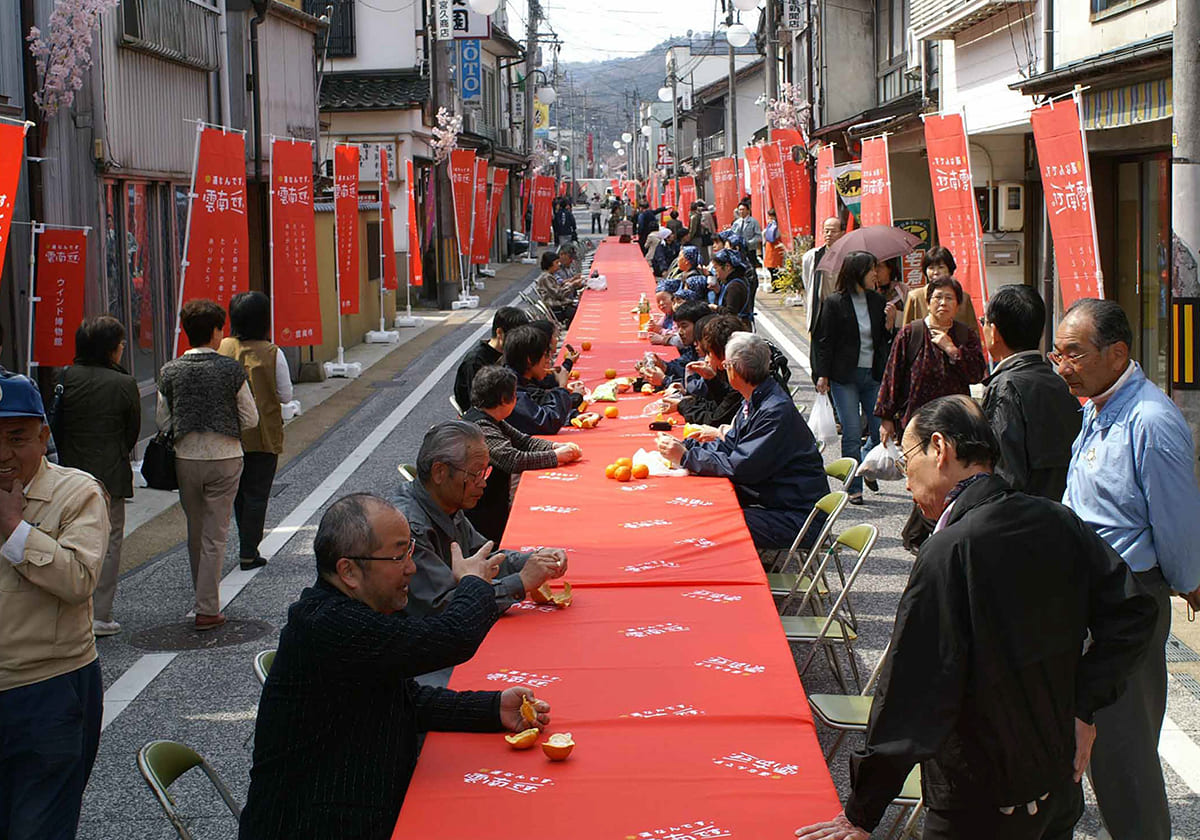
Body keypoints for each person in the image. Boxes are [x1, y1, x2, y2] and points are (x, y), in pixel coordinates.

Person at [795, 395, 1155, 840]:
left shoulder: (950, 550)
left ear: (940, 449)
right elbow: (1135, 611)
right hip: (1054, 781)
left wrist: (862, 812)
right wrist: (1083, 703)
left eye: (908, 458)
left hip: (978, 797)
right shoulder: (1057, 520)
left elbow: (910, 689)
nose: (906, 480)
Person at [238, 493, 552, 840]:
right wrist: (474, 583)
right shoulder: (330, 623)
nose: (411, 567)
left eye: (410, 551)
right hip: (316, 823)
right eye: (398, 555)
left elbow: (405, 701)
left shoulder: (355, 612)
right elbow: (453, 637)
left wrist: (493, 708)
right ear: (349, 571)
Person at [1055, 299, 1200, 840]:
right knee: (1092, 739)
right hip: (1087, 591)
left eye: (1075, 354)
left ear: (1118, 353)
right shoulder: (1097, 403)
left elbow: (1176, 514)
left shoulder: (1150, 419)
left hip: (1127, 597)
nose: (1064, 366)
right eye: (1059, 353)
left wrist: (1188, 580)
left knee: (1123, 748)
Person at [0, 375, 109, 840]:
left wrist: (12, 528)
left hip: (47, 688)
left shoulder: (77, 492)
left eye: (17, 439)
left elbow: (79, 579)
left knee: (37, 828)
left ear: (44, 435)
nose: (3, 454)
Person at [658, 332, 827, 550]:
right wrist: (688, 447)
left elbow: (739, 466)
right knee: (706, 509)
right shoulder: (759, 398)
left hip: (796, 517)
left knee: (713, 522)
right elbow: (730, 445)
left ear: (733, 369)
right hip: (777, 501)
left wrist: (686, 456)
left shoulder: (773, 410)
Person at [392, 422, 568, 618]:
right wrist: (521, 582)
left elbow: (483, 557)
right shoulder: (409, 527)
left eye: (485, 472)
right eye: (475, 474)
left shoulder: (447, 503)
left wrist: (535, 559)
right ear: (439, 472)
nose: (483, 483)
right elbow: (441, 606)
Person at [157, 299, 259, 630]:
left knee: (196, 530)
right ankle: (207, 608)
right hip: (226, 456)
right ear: (216, 332)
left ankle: (202, 600)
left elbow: (162, 421)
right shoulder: (231, 370)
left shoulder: (170, 371)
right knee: (216, 533)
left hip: (187, 457)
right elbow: (251, 418)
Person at [875, 277, 986, 553]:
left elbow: (977, 374)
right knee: (924, 480)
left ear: (957, 304)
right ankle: (924, 537)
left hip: (953, 423)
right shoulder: (911, 333)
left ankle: (927, 535)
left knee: (950, 478)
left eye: (949, 298)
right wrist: (886, 417)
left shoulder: (964, 335)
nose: (943, 303)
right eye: (937, 297)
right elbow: (893, 375)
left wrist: (951, 349)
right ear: (928, 301)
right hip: (917, 423)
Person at [57, 316, 140, 637]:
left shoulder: (65, 377)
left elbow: (57, 426)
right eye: (120, 346)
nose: (122, 351)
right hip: (110, 476)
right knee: (108, 543)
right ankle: (100, 614)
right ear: (109, 350)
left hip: (69, 475)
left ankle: (72, 610)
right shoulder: (124, 384)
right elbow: (132, 433)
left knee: (69, 541)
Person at [980, 285, 1080, 500]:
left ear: (994, 332)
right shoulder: (1058, 382)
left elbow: (1006, 475)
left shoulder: (1005, 387)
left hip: (1022, 519)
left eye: (984, 322)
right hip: (1061, 512)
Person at [463, 366, 582, 542]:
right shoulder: (481, 428)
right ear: (505, 399)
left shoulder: (493, 419)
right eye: (515, 396)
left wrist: (556, 446)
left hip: (493, 501)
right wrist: (556, 456)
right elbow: (513, 460)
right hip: (480, 513)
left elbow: (525, 441)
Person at [219, 291, 292, 571]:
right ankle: (249, 550)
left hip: (228, 433)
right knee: (257, 494)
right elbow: (285, 395)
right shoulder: (273, 353)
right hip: (263, 434)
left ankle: (244, 543)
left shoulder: (223, 348)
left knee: (237, 492)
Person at [812, 251, 889, 504]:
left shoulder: (878, 301)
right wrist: (822, 374)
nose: (875, 274)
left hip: (872, 375)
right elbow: (824, 341)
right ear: (858, 272)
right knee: (853, 433)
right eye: (871, 270)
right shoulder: (835, 302)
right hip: (844, 376)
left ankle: (865, 466)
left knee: (880, 433)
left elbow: (882, 341)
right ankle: (853, 486)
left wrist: (890, 324)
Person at [453, 307, 530, 412]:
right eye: (515, 338)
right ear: (499, 333)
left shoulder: (509, 353)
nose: (519, 343)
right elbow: (478, 404)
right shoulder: (475, 362)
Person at [503, 325, 576, 435]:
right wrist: (562, 387)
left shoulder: (518, 377)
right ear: (529, 360)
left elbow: (536, 410)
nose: (548, 360)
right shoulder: (511, 389)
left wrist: (571, 416)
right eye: (546, 355)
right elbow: (547, 423)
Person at [901, 246, 979, 332]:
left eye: (941, 267)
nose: (935, 272)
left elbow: (973, 331)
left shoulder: (964, 298)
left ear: (950, 270)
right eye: (931, 268)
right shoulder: (915, 297)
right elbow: (906, 332)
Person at [803, 216, 844, 332]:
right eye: (826, 231)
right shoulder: (812, 257)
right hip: (820, 309)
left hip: (842, 309)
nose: (829, 234)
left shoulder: (847, 257)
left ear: (842, 233)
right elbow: (807, 281)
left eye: (833, 231)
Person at [534, 251, 577, 324]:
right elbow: (559, 294)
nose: (559, 265)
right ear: (550, 264)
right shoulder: (546, 278)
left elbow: (557, 288)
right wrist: (572, 285)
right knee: (578, 312)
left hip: (559, 305)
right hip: (557, 309)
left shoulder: (550, 276)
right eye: (556, 263)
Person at [711, 249, 752, 326]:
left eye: (716, 268)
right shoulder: (731, 281)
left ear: (727, 266)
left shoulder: (734, 286)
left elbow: (730, 313)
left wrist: (715, 308)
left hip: (738, 329)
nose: (715, 272)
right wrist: (718, 292)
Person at [730, 202, 762, 268]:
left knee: (751, 266)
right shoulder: (736, 223)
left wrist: (748, 242)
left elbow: (758, 236)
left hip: (750, 249)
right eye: (740, 210)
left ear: (748, 210)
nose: (741, 211)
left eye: (743, 209)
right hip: (738, 249)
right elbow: (732, 234)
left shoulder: (753, 222)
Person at [763, 208, 785, 279]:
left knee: (775, 268)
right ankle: (775, 284)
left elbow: (774, 236)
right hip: (769, 248)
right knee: (770, 268)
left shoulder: (777, 226)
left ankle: (777, 285)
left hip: (775, 249)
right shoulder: (769, 225)